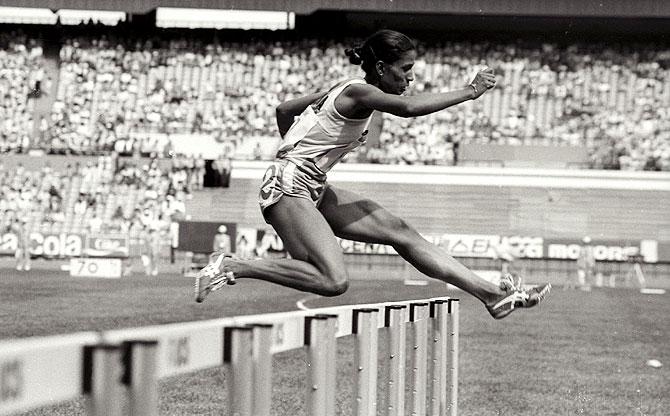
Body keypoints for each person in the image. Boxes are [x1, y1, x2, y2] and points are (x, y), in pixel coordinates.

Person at [195, 30, 551, 319]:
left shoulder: (348, 89)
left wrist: (302, 147)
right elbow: (409, 109)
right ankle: (234, 265)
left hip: (310, 184)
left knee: (400, 232)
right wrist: (470, 91)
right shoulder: (359, 92)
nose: (410, 77)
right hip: (289, 186)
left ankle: (492, 296)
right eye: (405, 69)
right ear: (381, 68)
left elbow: (285, 109)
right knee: (333, 281)